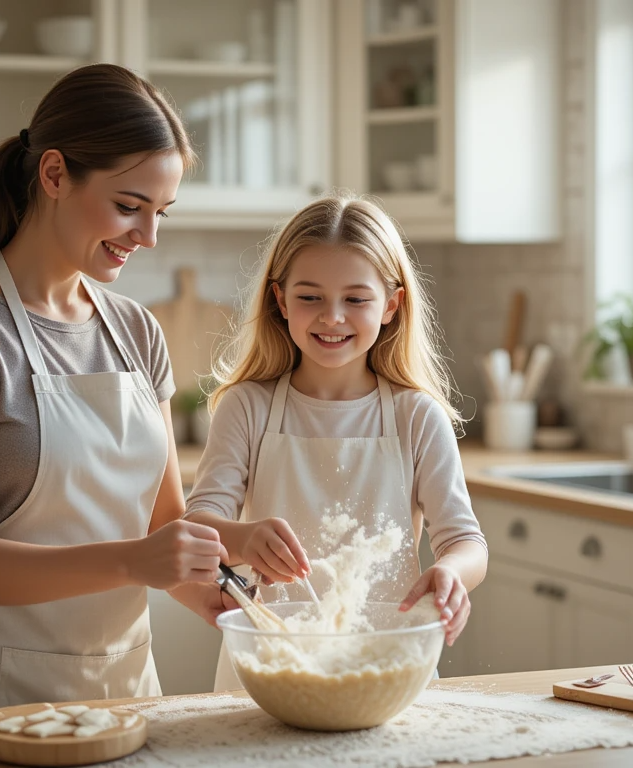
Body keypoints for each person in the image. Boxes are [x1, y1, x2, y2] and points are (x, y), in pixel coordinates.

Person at [0, 64, 235, 716]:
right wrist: (136, 562)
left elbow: (162, 529)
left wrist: (227, 576)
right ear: (54, 175)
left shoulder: (135, 329)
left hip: (122, 698)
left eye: (160, 212)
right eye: (129, 206)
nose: (148, 237)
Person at [184, 194, 488, 691]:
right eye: (310, 297)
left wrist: (453, 573)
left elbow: (465, 541)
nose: (332, 317)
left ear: (391, 305)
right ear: (280, 301)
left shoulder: (416, 417)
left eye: (355, 298)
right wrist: (240, 539)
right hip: (271, 661)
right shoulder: (248, 407)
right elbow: (197, 527)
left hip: (385, 661)